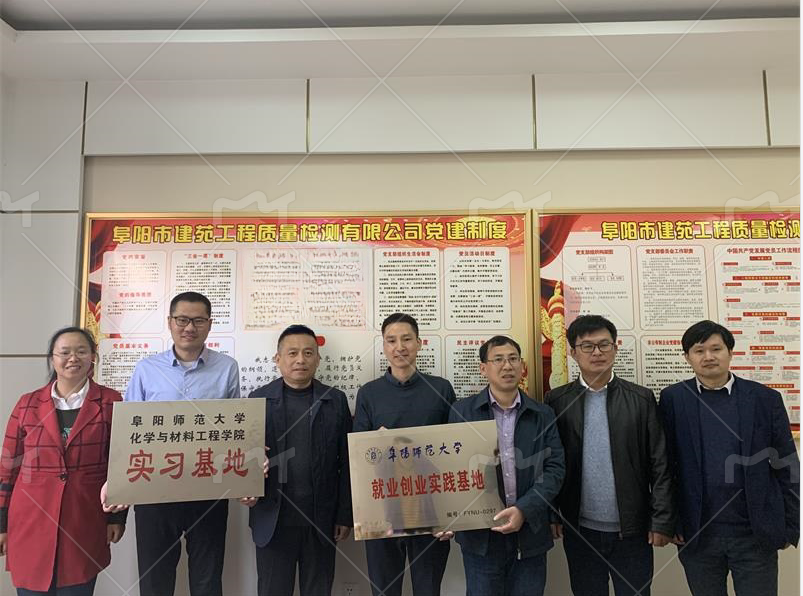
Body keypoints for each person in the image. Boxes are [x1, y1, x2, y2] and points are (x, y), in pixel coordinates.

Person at [658, 320, 799, 596]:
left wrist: (792, 526)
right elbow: (665, 466)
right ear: (687, 357)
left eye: (716, 349)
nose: (708, 356)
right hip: (698, 536)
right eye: (699, 351)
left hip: (755, 535)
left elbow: (787, 465)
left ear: (730, 352)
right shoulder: (673, 399)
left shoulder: (764, 399)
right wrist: (671, 522)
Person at [546, 314, 675, 596]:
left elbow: (660, 463)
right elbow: (549, 462)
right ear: (573, 353)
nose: (597, 352)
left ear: (615, 348)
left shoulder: (641, 398)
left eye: (604, 344)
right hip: (580, 529)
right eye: (587, 346)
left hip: (632, 530)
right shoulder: (557, 400)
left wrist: (661, 519)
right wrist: (552, 513)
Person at [122, 291, 240, 596]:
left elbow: (233, 429)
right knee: (155, 579)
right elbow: (128, 431)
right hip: (154, 489)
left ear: (209, 324)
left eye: (198, 320)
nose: (189, 327)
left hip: (208, 487)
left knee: (207, 579)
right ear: (170, 322)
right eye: (182, 319)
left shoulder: (227, 367)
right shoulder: (146, 369)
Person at [0, 327, 126, 595]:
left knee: (77, 585)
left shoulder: (111, 401)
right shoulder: (27, 404)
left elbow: (120, 464)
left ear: (93, 357)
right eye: (65, 352)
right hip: (29, 518)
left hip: (84, 517)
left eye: (81, 351)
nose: (73, 358)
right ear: (52, 358)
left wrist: (117, 517)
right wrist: (1, 522)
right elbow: (8, 468)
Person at [240, 324, 352, 596]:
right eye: (292, 353)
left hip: (321, 521)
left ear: (318, 359)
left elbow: (348, 463)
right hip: (273, 520)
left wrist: (344, 514)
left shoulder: (335, 400)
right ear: (277, 359)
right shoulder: (258, 400)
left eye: (308, 353)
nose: (300, 359)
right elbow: (244, 457)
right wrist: (245, 487)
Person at [450, 336, 565, 596]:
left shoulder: (542, 414)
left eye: (513, 359)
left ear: (522, 366)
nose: (507, 366)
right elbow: (453, 470)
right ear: (483, 368)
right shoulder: (462, 412)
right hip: (481, 539)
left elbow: (555, 469)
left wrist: (524, 509)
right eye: (498, 359)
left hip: (530, 532)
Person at [353, 313, 456, 596]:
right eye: (391, 340)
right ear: (384, 346)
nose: (400, 347)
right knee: (384, 590)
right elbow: (359, 457)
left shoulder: (441, 388)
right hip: (382, 511)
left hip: (430, 510)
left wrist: (452, 513)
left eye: (407, 339)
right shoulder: (369, 393)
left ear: (419, 343)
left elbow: (454, 453)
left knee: (428, 589)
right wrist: (377, 445)